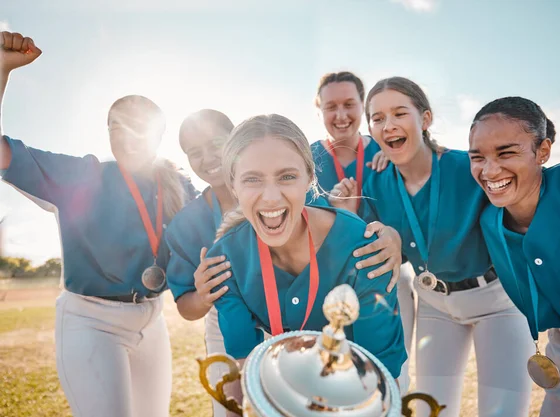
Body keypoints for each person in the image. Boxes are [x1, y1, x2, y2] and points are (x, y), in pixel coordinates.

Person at [0, 31, 196, 417]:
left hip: (152, 320)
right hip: (92, 322)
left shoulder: (179, 184)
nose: (125, 133)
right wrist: (3, 69)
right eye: (115, 125)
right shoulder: (82, 175)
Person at [165, 109, 406, 417]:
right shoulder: (224, 259)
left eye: (287, 176)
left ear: (309, 178)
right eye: (252, 179)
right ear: (233, 184)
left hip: (361, 381)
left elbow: (380, 384)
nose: (270, 197)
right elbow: (242, 374)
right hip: (286, 370)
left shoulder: (364, 251)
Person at [330, 76, 533, 417]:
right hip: (435, 304)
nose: (388, 124)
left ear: (425, 120)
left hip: (497, 301)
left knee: (504, 412)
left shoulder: (465, 167)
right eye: (378, 119)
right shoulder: (375, 179)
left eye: (399, 113)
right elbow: (367, 246)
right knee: (429, 411)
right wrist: (349, 216)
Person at [469, 96, 560, 416]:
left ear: (543, 151)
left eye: (506, 152)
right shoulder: (490, 220)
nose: (489, 170)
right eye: (477, 157)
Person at [312, 71, 416, 374]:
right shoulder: (305, 159)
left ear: (363, 106)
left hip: (385, 281)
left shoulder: (388, 152)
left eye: (349, 104)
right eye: (330, 107)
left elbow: (407, 224)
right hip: (323, 287)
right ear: (318, 110)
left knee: (390, 379)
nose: (341, 115)